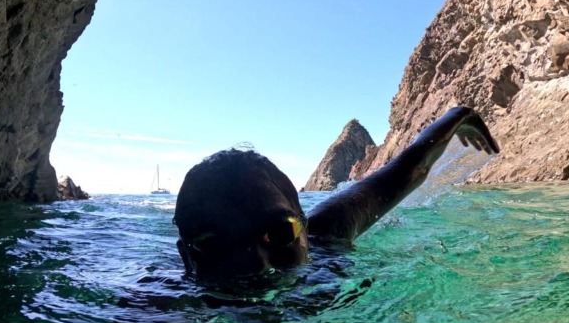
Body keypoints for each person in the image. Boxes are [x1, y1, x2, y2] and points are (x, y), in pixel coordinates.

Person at [172, 106, 500, 281]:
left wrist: (459, 115)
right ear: (187, 258)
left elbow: (409, 168)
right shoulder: (163, 312)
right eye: (216, 244)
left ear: (305, 229)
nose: (258, 265)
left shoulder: (327, 237)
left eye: (280, 233)